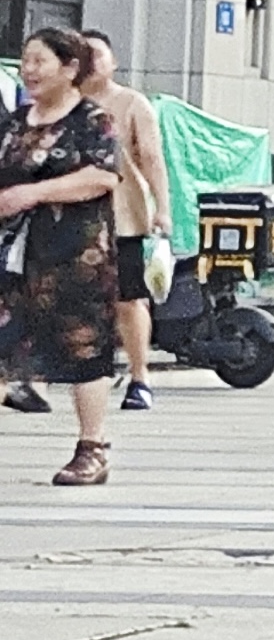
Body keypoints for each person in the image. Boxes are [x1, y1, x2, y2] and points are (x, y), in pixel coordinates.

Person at [2, 28, 123, 483]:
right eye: (25, 61)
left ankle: (92, 447)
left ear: (70, 68)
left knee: (83, 347)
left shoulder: (93, 120)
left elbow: (102, 177)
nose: (29, 71)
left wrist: (34, 193)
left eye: (39, 61)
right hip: (14, 256)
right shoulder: (14, 124)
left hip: (75, 257)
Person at [73, 33, 168, 410]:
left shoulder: (131, 103)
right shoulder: (62, 102)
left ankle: (140, 376)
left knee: (129, 300)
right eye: (82, 54)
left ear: (113, 62)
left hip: (122, 216)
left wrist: (163, 208)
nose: (90, 61)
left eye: (97, 54)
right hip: (71, 217)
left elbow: (152, 158)